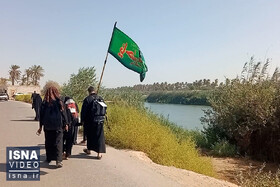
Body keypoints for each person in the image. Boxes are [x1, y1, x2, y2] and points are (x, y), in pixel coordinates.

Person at [37, 86, 68, 168]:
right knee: (58, 142)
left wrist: (40, 127)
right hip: (58, 126)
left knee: (48, 142)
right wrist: (66, 124)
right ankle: (59, 160)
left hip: (47, 126)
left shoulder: (44, 103)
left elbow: (41, 116)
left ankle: (49, 158)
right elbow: (63, 114)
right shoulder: (59, 101)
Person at [81, 86, 106, 159]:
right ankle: (99, 153)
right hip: (100, 120)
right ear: (94, 91)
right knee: (99, 136)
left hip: (90, 121)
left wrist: (82, 120)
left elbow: (83, 111)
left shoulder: (87, 99)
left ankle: (89, 150)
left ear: (89, 92)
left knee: (90, 135)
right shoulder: (100, 98)